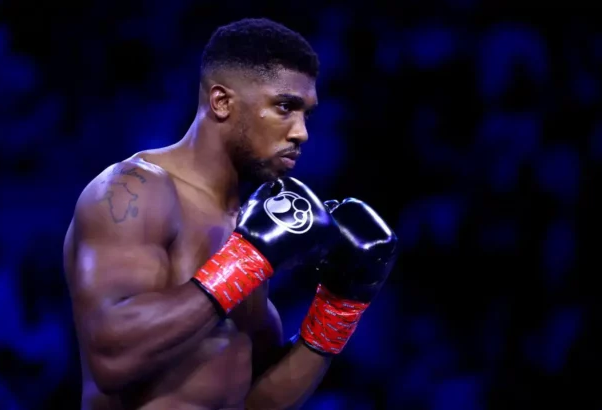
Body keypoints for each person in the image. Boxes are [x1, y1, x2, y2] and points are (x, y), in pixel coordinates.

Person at [63, 17, 398, 410]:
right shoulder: (134, 191)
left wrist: (338, 307)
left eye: (306, 114)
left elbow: (253, 400)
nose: (301, 132)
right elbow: (110, 359)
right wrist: (243, 262)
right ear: (221, 102)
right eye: (285, 107)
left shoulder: (247, 221)